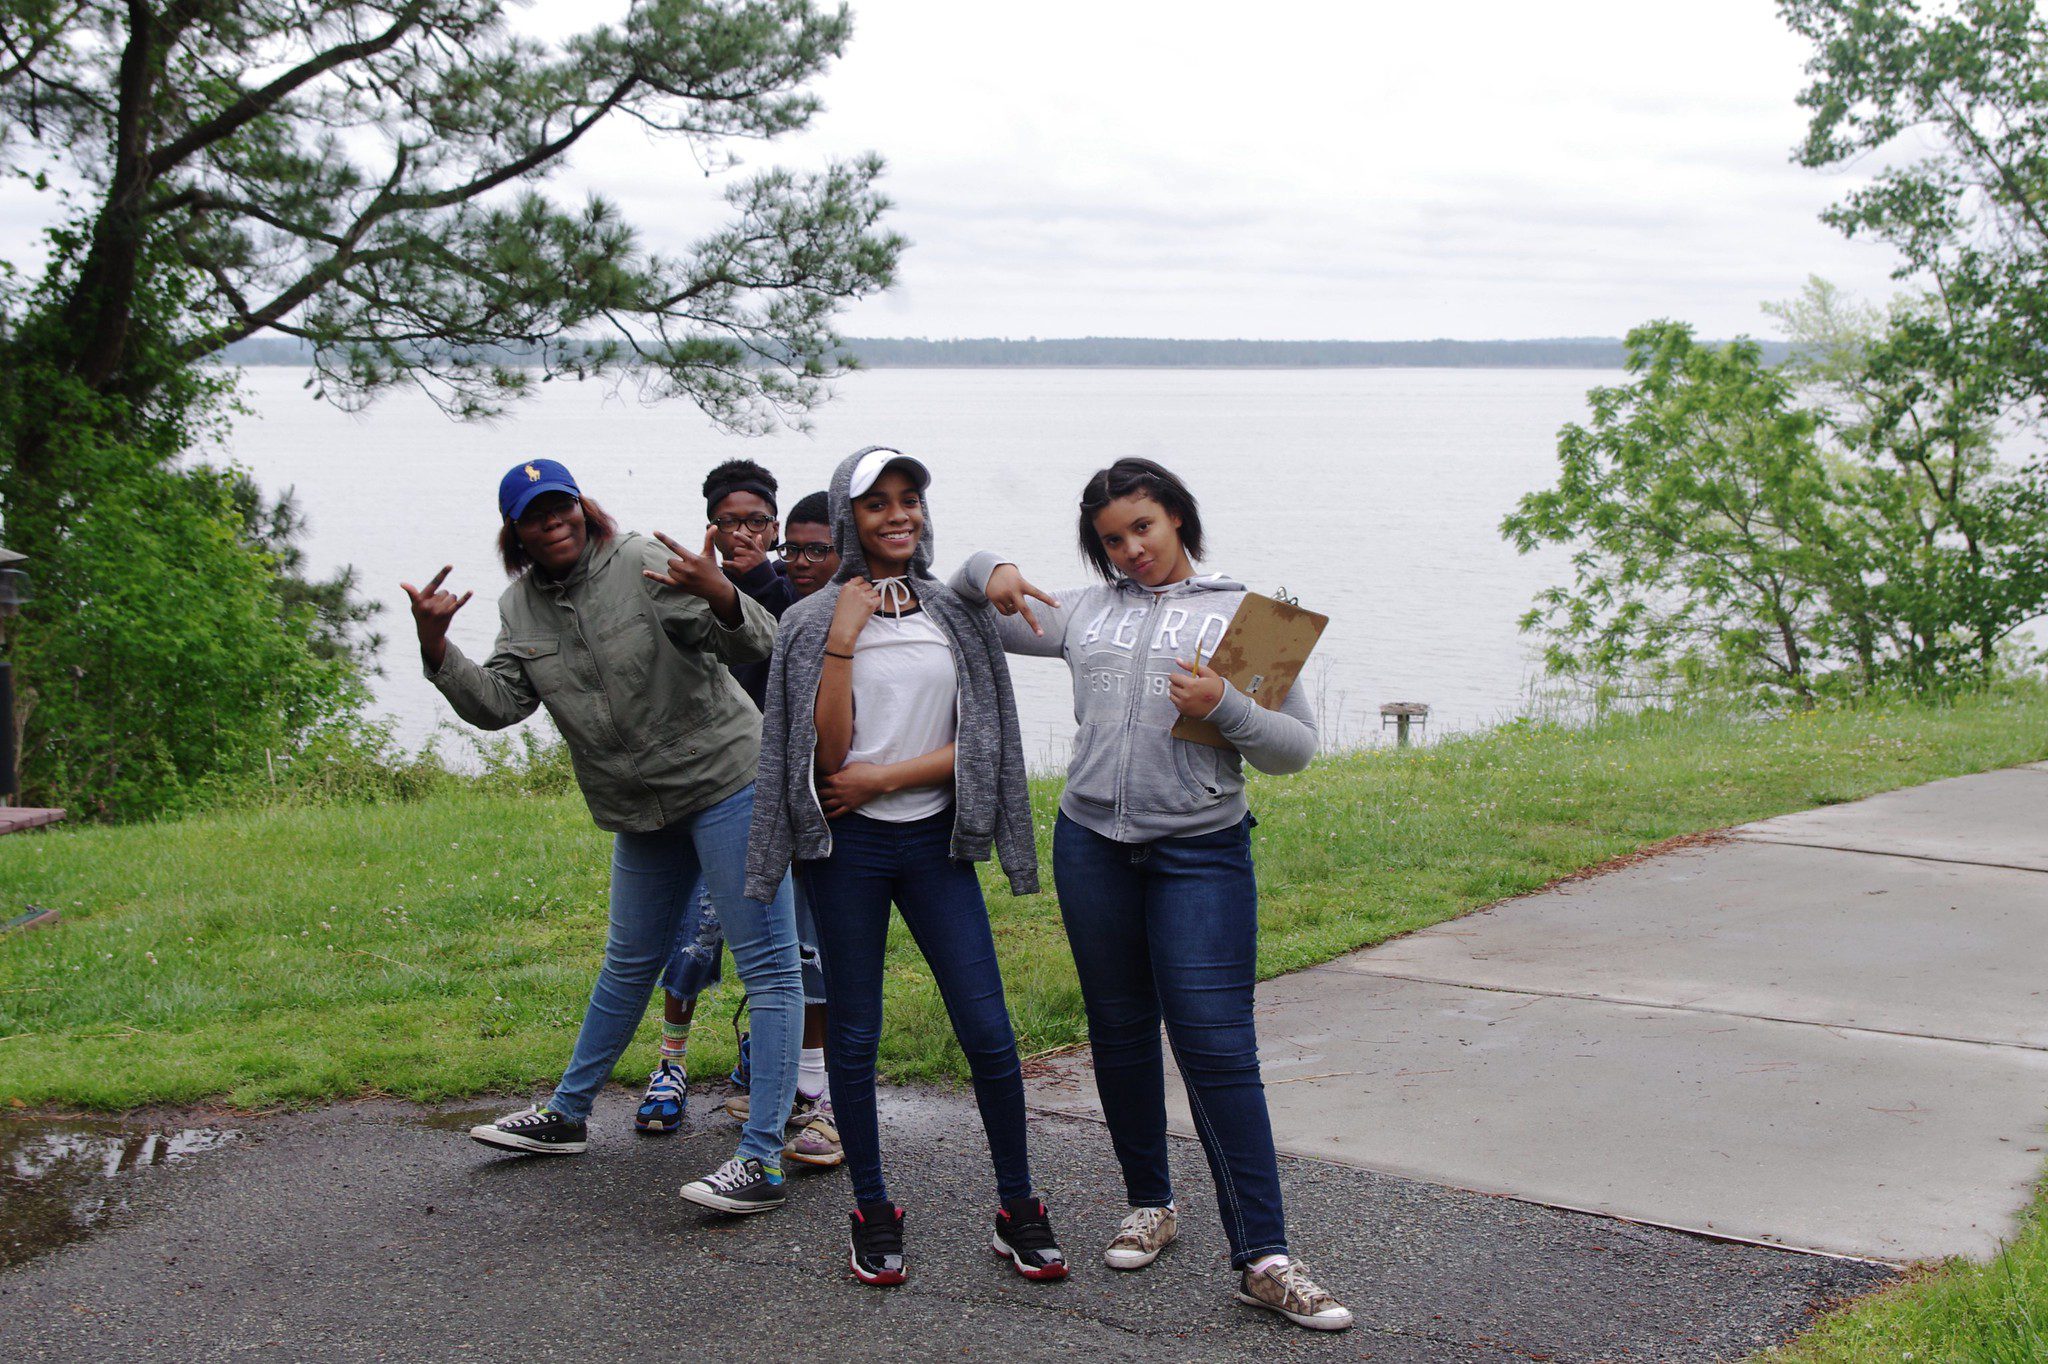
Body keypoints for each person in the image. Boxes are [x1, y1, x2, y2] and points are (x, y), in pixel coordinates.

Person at [950, 457, 1355, 1331]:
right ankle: (1150, 1202)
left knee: (1215, 1048)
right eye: (1111, 540)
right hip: (1091, 845)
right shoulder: (1085, 614)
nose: (1130, 550)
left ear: (1177, 517)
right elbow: (963, 598)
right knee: (1120, 1031)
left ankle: (1265, 1257)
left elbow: (1291, 753)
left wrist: (1227, 703)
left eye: (1143, 528)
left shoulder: (1250, 616)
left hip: (1200, 855)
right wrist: (994, 569)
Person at [405, 458, 803, 1215]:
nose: (552, 521)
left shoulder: (643, 560)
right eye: (534, 514)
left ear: (583, 510)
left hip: (727, 782)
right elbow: (497, 705)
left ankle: (763, 1159)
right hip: (638, 807)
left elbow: (758, 643)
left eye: (562, 506)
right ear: (515, 531)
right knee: (627, 964)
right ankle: (567, 1114)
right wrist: (436, 649)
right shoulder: (520, 607)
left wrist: (720, 593)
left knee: (769, 967)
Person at [747, 446, 1065, 1288]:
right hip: (847, 853)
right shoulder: (812, 622)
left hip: (932, 845)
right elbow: (825, 758)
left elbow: (982, 741)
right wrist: (845, 640)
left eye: (910, 498)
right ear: (851, 516)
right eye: (878, 501)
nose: (899, 514)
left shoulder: (953, 612)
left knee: (990, 1033)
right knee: (854, 1036)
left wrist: (891, 777)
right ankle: (875, 1210)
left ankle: (1017, 1205)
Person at [637, 461, 839, 1172]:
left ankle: (797, 1077)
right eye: (730, 521)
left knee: (793, 946)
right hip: (709, 792)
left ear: (776, 528)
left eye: (758, 521)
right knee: (693, 938)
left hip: (786, 799)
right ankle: (671, 1063)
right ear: (711, 527)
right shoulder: (677, 587)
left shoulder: (797, 597)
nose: (744, 532)